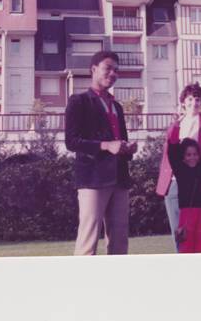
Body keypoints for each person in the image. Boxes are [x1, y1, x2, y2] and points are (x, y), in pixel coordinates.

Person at [65, 51, 137, 255]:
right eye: (108, 68)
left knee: (120, 243)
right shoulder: (78, 101)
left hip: (120, 179)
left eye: (116, 70)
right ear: (93, 69)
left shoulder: (117, 107)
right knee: (88, 242)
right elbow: (72, 142)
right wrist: (106, 146)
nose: (113, 73)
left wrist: (127, 148)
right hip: (92, 179)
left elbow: (118, 141)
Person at [156, 82, 201, 251]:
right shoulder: (177, 122)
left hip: (198, 184)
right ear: (183, 101)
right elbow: (169, 151)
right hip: (175, 182)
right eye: (190, 99)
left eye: (197, 99)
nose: (193, 103)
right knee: (180, 233)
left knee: (199, 234)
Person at [167, 134, 201, 253]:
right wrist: (176, 126)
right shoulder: (180, 169)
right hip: (187, 212)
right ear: (183, 157)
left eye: (195, 154)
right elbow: (171, 151)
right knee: (186, 244)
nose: (192, 158)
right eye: (188, 154)